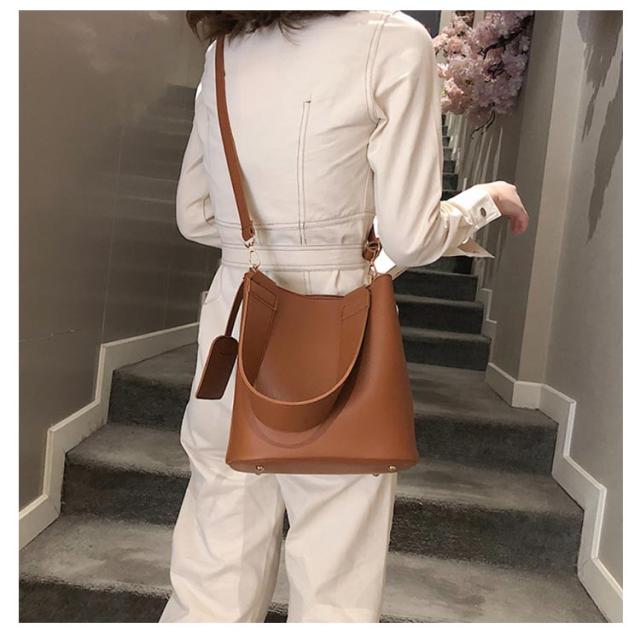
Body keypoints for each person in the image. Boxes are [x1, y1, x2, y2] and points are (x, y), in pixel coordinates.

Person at [159, 10, 529, 623]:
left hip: (235, 318)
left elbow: (195, 214)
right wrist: (480, 202)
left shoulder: (225, 52)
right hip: (337, 326)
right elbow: (410, 238)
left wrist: (264, 242)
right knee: (335, 576)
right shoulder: (393, 39)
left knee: (213, 561)